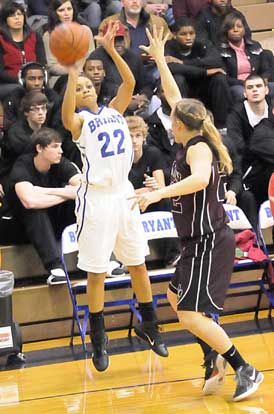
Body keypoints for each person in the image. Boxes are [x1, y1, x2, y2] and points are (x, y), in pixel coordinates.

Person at [130, 26, 264, 402]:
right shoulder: (188, 135)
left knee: (190, 315)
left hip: (208, 239)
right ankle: (212, 357)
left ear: (181, 125)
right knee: (175, 300)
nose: (169, 120)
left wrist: (161, 190)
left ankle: (244, 368)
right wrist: (159, 57)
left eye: (173, 119)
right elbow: (176, 96)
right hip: (194, 240)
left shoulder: (198, 149)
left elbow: (200, 179)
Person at [61, 22, 168, 372]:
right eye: (79, 88)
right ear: (75, 96)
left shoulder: (114, 111)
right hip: (96, 200)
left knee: (138, 262)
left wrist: (108, 48)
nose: (86, 89)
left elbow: (130, 83)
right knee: (97, 273)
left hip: (124, 194)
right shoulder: (77, 122)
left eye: (88, 85)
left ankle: (149, 326)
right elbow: (64, 117)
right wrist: (72, 72)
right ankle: (99, 338)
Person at [5, 127, 81, 285]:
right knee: (35, 211)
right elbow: (30, 201)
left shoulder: (61, 163)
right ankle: (55, 267)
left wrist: (48, 191)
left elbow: (84, 190)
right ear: (39, 148)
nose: (60, 151)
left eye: (60, 146)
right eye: (54, 147)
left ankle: (100, 259)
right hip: (20, 226)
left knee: (82, 204)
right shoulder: (22, 166)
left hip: (52, 221)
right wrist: (65, 194)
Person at [227, 74, 274, 207]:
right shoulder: (236, 113)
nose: (255, 90)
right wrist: (260, 146)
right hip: (249, 165)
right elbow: (237, 146)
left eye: (259, 86)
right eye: (250, 87)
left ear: (266, 90)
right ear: (244, 93)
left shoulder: (272, 107)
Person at [220, 11, 274, 102]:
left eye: (239, 26)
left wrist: (261, 80)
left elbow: (266, 69)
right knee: (241, 93)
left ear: (244, 29)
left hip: (257, 82)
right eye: (231, 27)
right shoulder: (221, 50)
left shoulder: (255, 46)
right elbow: (225, 78)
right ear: (226, 30)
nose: (235, 30)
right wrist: (245, 83)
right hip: (238, 85)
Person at [0, 0, 46, 100]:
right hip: (8, 83)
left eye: (20, 14)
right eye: (12, 15)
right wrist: (22, 80)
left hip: (35, 81)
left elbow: (42, 63)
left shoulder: (35, 36)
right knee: (20, 91)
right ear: (5, 19)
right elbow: (1, 72)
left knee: (52, 95)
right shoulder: (1, 39)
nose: (17, 18)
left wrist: (35, 79)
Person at [43, 0, 95, 88]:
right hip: (62, 77)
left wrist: (83, 71)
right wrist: (74, 71)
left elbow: (92, 56)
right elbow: (52, 65)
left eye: (69, 9)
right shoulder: (49, 35)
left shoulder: (85, 30)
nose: (66, 13)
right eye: (61, 10)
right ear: (55, 13)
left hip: (85, 73)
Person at [3, 61, 60, 132]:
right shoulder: (14, 97)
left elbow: (59, 125)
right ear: (22, 81)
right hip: (21, 138)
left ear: (44, 80)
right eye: (32, 79)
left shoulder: (52, 97)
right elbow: (9, 126)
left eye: (40, 78)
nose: (37, 83)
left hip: (49, 138)